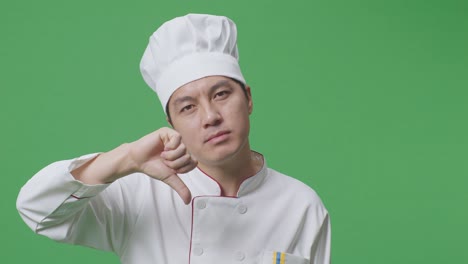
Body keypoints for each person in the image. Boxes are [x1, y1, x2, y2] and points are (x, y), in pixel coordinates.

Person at [16, 14, 331, 264]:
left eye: (221, 94)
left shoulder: (301, 205)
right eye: (188, 106)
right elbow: (37, 210)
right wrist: (124, 158)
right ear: (171, 122)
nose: (210, 116)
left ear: (247, 98)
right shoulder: (139, 194)